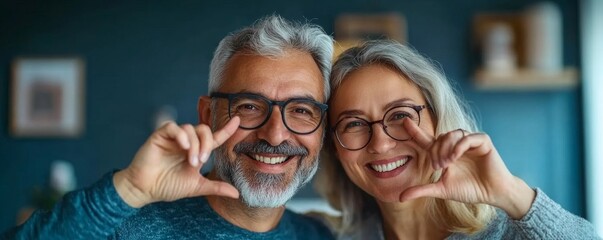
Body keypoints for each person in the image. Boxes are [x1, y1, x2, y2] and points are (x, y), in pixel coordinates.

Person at [3, 14, 335, 239]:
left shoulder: (317, 235)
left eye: (302, 110)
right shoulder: (131, 227)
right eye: (249, 106)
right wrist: (128, 191)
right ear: (207, 114)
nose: (275, 134)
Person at [316, 40, 600, 239]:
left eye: (399, 115)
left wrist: (512, 194)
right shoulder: (332, 236)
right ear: (334, 147)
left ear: (439, 120)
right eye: (353, 123)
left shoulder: (508, 233)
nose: (379, 143)